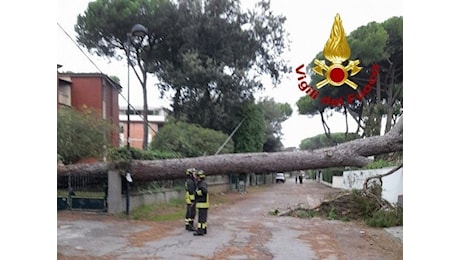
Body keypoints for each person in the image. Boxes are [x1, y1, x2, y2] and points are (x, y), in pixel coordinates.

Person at [193, 170, 209, 236]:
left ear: (199, 177)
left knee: (201, 218)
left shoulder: (202, 184)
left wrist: (197, 193)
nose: (196, 177)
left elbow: (204, 191)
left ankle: (200, 231)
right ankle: (204, 229)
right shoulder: (203, 183)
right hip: (204, 204)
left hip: (202, 204)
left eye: (197, 176)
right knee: (203, 218)